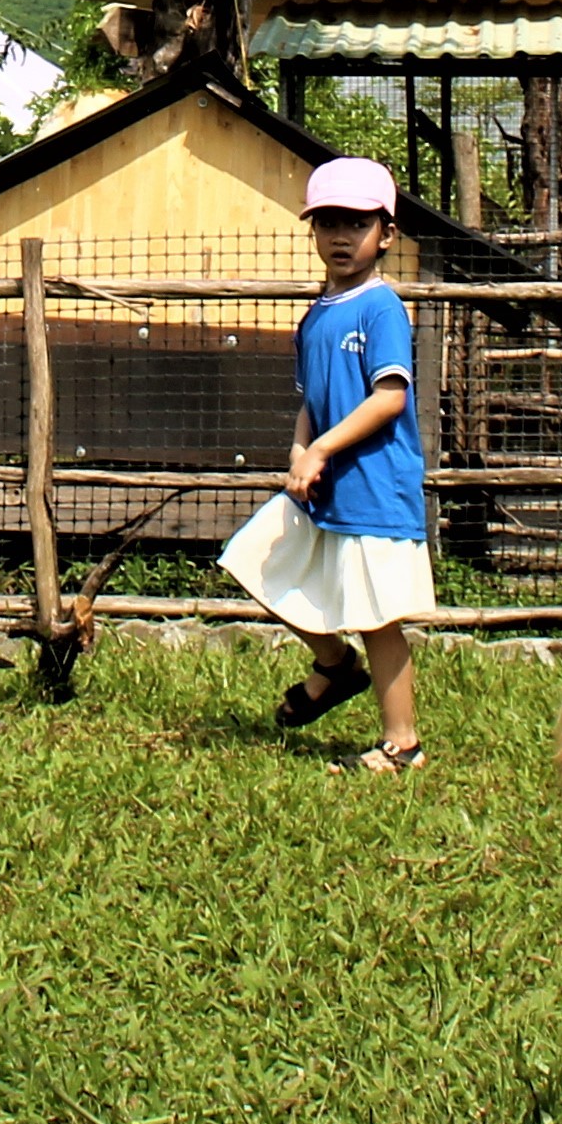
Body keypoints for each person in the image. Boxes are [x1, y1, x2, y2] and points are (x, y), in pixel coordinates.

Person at [222, 155, 441, 773]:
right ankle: (335, 667)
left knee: (378, 619)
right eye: (328, 224)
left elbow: (390, 396)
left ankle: (404, 745)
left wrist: (320, 449)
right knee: (255, 563)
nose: (341, 237)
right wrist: (301, 448)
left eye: (357, 224)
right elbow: (309, 403)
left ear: (387, 233)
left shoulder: (381, 309)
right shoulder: (316, 315)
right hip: (322, 489)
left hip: (373, 488)